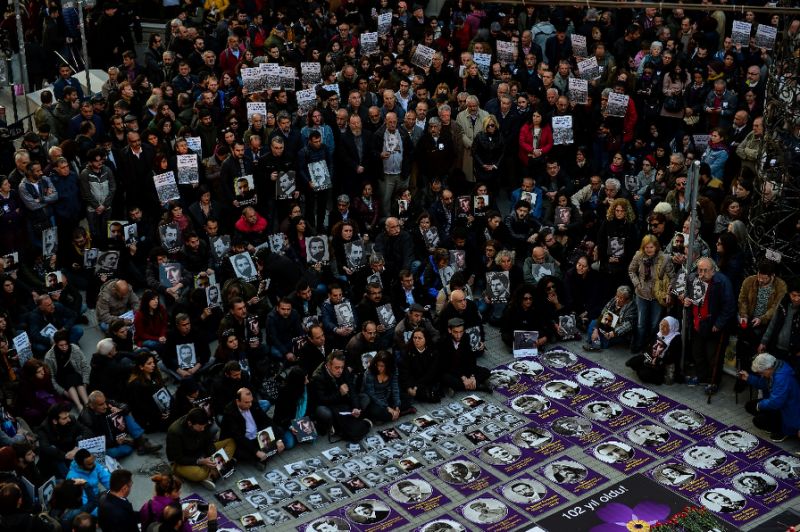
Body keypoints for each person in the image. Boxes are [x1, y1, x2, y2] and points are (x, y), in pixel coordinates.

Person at [681, 257, 735, 394]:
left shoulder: (722, 282)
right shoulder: (693, 278)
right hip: (697, 323)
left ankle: (713, 382)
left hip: (713, 324)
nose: (702, 273)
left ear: (713, 270)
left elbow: (729, 306)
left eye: (705, 271)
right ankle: (701, 377)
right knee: (697, 352)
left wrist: (719, 323)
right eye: (700, 270)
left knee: (713, 356)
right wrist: (686, 300)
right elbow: (686, 295)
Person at [166, 407, 236, 491]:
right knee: (199, 474)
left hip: (201, 452)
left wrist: (212, 456)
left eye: (204, 427)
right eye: (200, 427)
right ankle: (216, 469)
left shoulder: (203, 423)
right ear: (190, 423)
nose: (203, 429)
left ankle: (212, 473)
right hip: (184, 461)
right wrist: (201, 461)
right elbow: (177, 458)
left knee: (230, 442)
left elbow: (208, 441)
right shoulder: (175, 432)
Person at [738, 353, 800, 443]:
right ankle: (775, 425)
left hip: (789, 411)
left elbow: (775, 402)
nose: (761, 375)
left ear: (768, 368)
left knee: (758, 419)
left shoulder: (782, 377)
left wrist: (759, 405)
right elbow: (763, 384)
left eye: (761, 373)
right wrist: (748, 378)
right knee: (750, 406)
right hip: (781, 405)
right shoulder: (775, 366)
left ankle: (783, 430)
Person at [309, 351, 370, 439]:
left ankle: (352, 421)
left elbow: (352, 390)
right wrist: (339, 394)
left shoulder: (343, 369)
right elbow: (322, 399)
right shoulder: (318, 377)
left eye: (342, 367)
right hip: (330, 405)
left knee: (365, 398)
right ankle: (333, 425)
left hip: (345, 402)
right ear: (328, 365)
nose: (340, 371)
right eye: (337, 368)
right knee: (323, 411)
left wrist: (356, 407)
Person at [220, 388, 286, 468]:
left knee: (280, 432)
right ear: (238, 401)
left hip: (258, 435)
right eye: (246, 402)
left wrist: (279, 439)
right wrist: (256, 451)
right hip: (244, 440)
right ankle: (256, 458)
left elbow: (266, 420)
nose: (250, 404)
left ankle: (261, 458)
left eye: (251, 401)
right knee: (243, 452)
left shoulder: (253, 403)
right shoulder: (230, 413)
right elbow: (238, 437)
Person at [438, 318, 492, 394]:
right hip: (451, 370)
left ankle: (460, 387)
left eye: (461, 332)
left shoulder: (466, 337)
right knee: (445, 378)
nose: (458, 335)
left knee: (486, 371)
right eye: (455, 332)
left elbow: (471, 357)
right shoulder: (444, 341)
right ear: (450, 330)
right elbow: (447, 365)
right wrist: (463, 377)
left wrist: (472, 376)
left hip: (464, 367)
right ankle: (478, 386)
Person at [626, 317, 682, 385]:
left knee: (642, 374)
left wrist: (658, 360)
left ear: (671, 328)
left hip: (660, 365)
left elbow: (672, 357)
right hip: (650, 358)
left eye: (665, 326)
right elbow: (648, 345)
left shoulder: (676, 338)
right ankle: (643, 367)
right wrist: (646, 354)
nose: (661, 327)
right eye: (661, 325)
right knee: (630, 363)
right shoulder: (659, 333)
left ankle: (656, 377)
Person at [44, 330, 91, 410]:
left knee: (74, 377)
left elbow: (85, 366)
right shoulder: (49, 357)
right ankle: (81, 404)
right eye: (61, 345)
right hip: (61, 379)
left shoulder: (75, 349)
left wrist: (85, 382)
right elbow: (51, 377)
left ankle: (84, 404)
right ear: (55, 344)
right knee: (69, 379)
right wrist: (63, 392)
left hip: (77, 376)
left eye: (66, 344)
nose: (64, 347)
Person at [363, 351, 413, 422]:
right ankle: (396, 414)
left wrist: (397, 405)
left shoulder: (393, 370)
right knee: (378, 412)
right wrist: (387, 407)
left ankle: (394, 414)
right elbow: (371, 394)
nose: (379, 368)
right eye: (377, 365)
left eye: (382, 366)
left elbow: (395, 388)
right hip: (375, 401)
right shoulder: (369, 373)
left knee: (408, 399)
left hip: (387, 396)